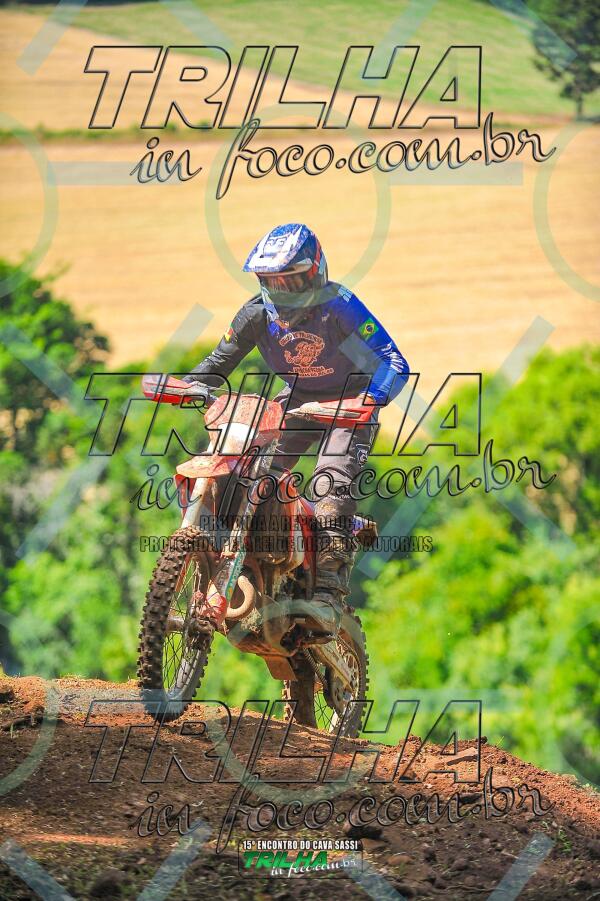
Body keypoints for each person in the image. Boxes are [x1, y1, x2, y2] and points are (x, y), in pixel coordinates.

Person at [183, 223, 409, 636]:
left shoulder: (339, 306)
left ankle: (328, 593)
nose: (282, 290)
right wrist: (184, 385)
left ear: (315, 272)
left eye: (290, 280)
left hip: (348, 403)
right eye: (272, 281)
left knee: (330, 483)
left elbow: (393, 362)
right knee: (245, 467)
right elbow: (217, 364)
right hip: (299, 398)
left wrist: (369, 401)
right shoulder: (255, 314)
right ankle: (240, 556)